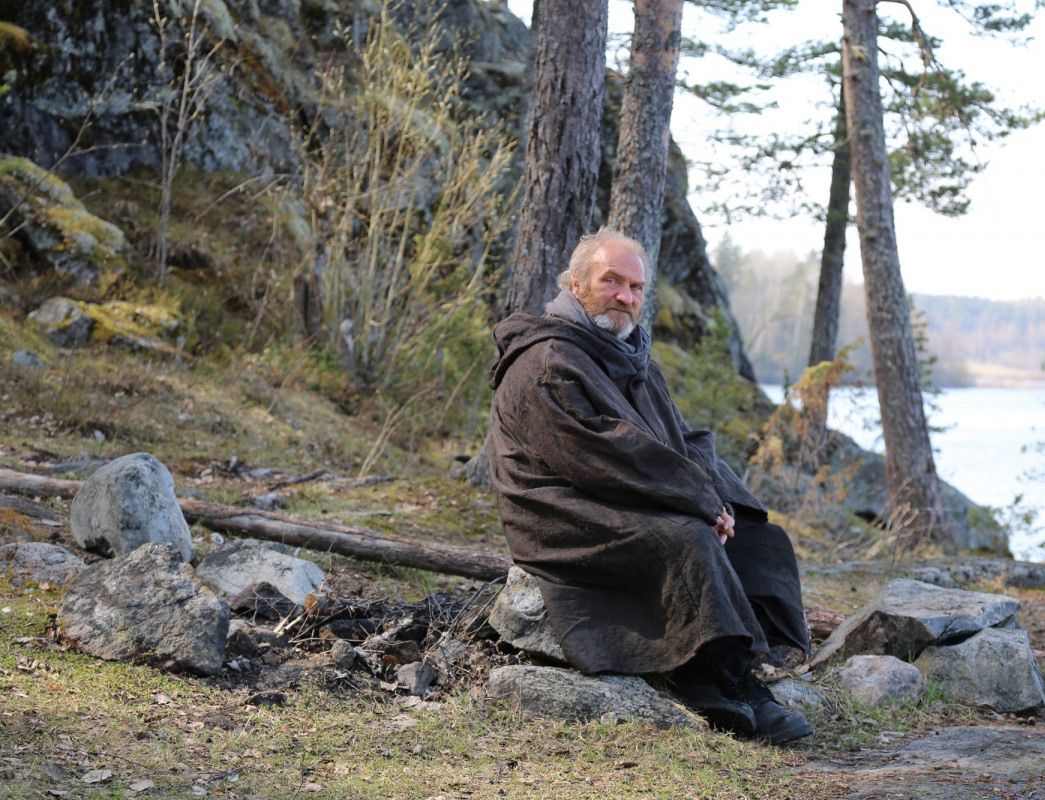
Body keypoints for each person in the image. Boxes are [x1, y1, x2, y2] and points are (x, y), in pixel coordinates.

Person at [488, 228, 813, 745]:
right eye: (611, 281)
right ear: (576, 284)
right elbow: (598, 455)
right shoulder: (547, 361)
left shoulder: (631, 356)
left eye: (636, 287)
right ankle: (721, 679)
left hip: (623, 490)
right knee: (686, 538)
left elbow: (683, 439)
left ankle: (748, 654)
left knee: (757, 535)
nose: (625, 297)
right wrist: (695, 502)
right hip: (563, 510)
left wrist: (718, 499)